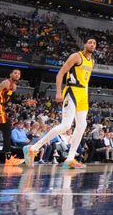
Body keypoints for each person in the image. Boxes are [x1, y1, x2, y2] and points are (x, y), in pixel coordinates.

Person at [24, 39, 97, 169]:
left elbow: (85, 81)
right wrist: (58, 92)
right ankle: (33, 148)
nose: (92, 45)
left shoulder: (92, 61)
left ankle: (70, 158)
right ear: (85, 44)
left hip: (83, 94)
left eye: (94, 43)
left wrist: (86, 96)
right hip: (72, 90)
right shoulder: (76, 56)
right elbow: (60, 73)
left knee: (82, 125)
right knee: (66, 125)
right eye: (90, 42)